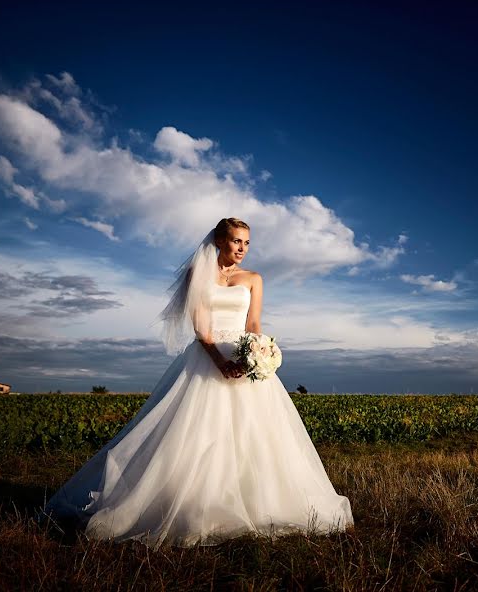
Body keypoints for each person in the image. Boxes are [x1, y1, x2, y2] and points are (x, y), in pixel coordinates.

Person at [38, 218, 354, 549]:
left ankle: (259, 501)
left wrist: (260, 351)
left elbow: (255, 322)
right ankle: (186, 503)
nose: (242, 248)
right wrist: (220, 361)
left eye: (247, 242)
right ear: (219, 240)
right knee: (196, 433)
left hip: (245, 359)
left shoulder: (254, 279)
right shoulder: (199, 275)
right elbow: (201, 327)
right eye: (235, 241)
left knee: (256, 436)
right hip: (207, 359)